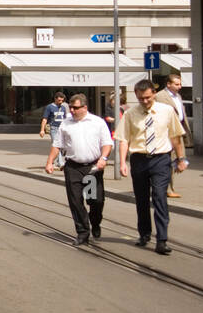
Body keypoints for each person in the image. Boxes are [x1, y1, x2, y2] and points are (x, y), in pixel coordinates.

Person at [116, 78, 186, 255]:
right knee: (141, 199)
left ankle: (162, 239)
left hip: (161, 159)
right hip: (139, 159)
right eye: (141, 99)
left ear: (154, 93)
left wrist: (181, 159)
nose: (145, 102)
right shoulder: (131, 113)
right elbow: (124, 139)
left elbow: (176, 136)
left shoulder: (167, 111)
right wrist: (122, 162)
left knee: (160, 196)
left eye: (147, 98)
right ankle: (144, 233)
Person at [45, 93, 113, 246]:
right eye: (71, 108)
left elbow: (107, 143)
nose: (72, 111)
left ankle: (95, 222)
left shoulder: (97, 122)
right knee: (75, 201)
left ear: (85, 107)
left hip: (92, 168)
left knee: (95, 200)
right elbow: (57, 144)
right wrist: (50, 162)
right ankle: (82, 232)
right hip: (73, 167)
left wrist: (103, 158)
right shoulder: (66, 123)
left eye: (76, 108)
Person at [160, 73, 190, 198]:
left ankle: (168, 188)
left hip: (178, 131)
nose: (180, 86)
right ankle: (167, 189)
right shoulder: (160, 96)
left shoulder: (178, 96)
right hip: (167, 133)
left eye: (180, 84)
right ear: (168, 84)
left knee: (177, 159)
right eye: (176, 84)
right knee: (169, 161)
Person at [39, 92, 70, 170]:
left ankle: (56, 161)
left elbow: (65, 119)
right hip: (54, 128)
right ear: (55, 99)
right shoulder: (49, 107)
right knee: (57, 145)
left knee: (63, 146)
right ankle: (60, 163)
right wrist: (42, 130)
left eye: (62, 101)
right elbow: (45, 119)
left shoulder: (62, 107)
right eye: (59, 100)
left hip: (62, 128)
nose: (61, 102)